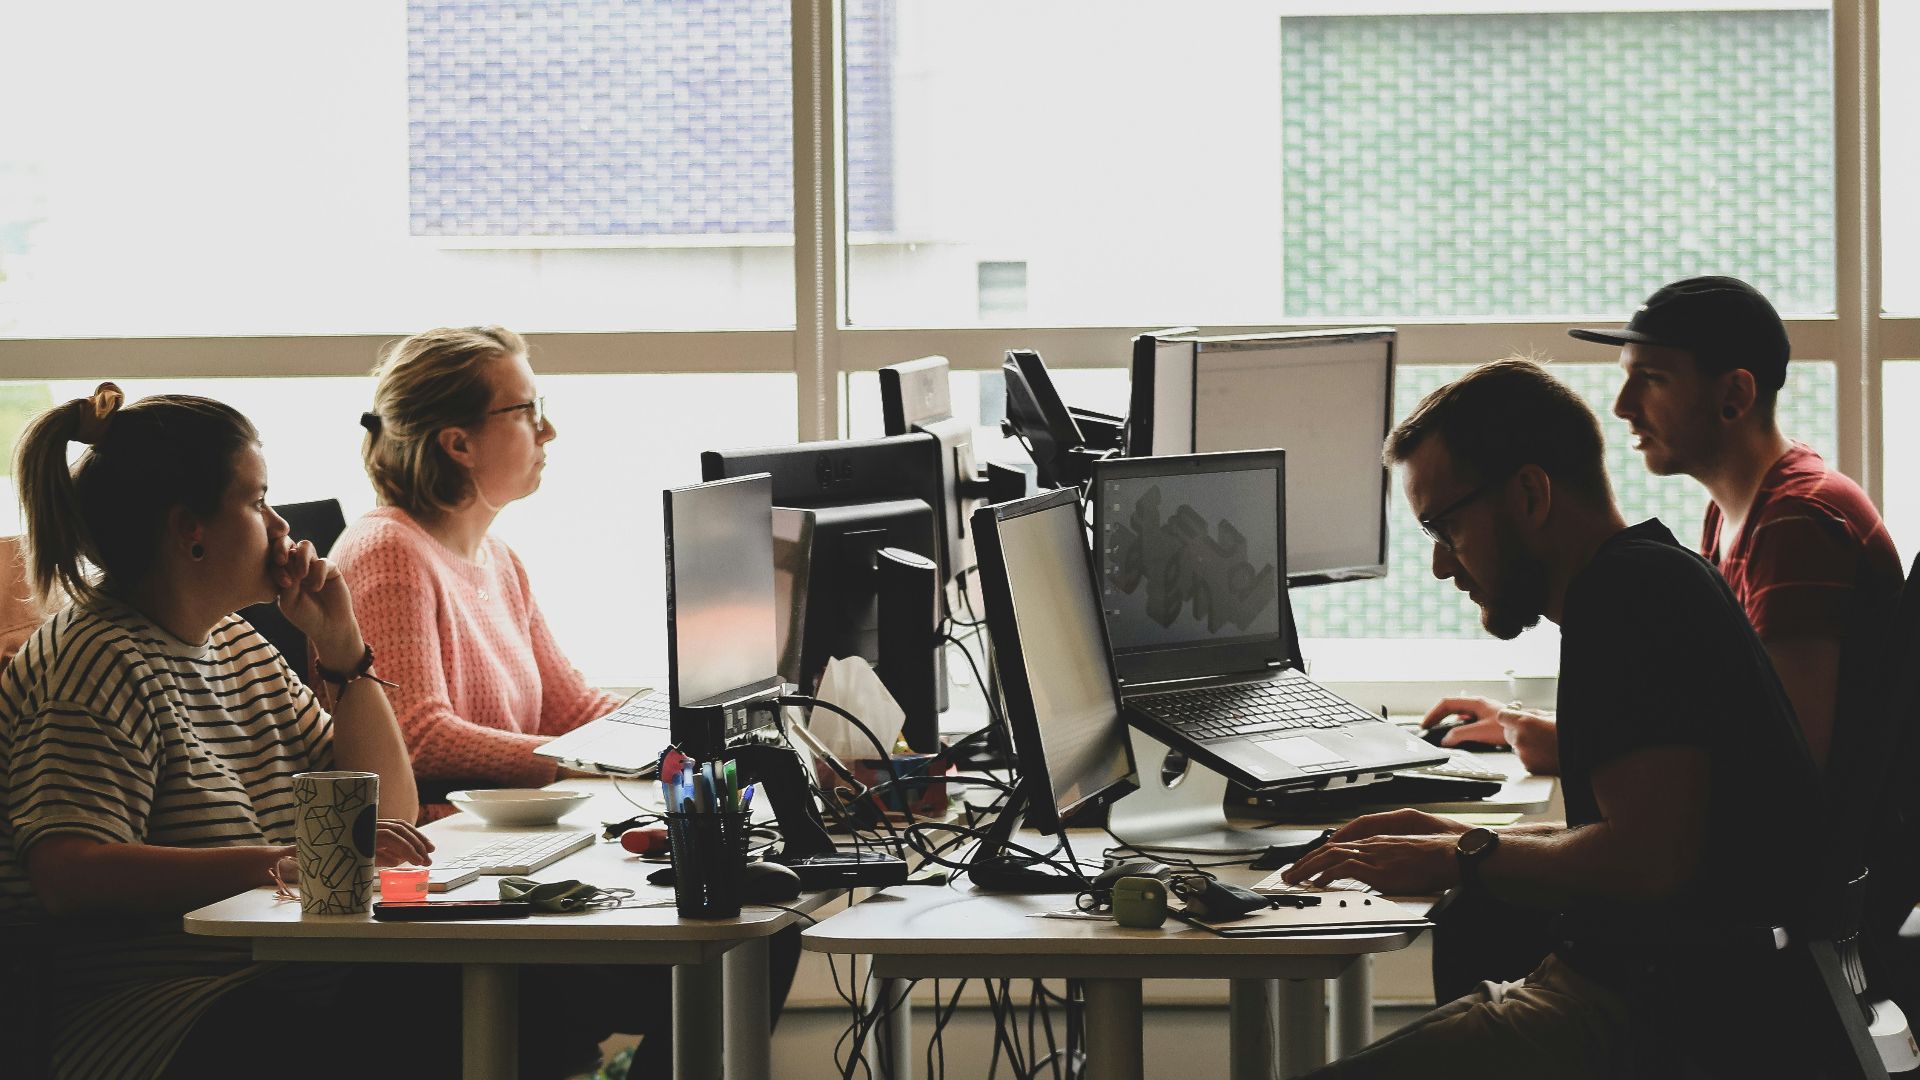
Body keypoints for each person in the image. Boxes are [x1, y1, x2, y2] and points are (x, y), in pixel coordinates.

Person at [1285, 359, 1831, 1077]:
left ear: (1531, 493)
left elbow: (1650, 858)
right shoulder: (1652, 574)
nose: (1443, 568)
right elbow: (1637, 833)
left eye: (1445, 526)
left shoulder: (1627, 598)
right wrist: (1459, 836)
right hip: (1663, 1000)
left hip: (1652, 1018)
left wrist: (1462, 855)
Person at [0, 385, 435, 1080]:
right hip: (158, 1017)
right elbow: (69, 871)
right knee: (422, 1023)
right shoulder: (94, 661)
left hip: (278, 984)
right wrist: (280, 860)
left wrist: (344, 649)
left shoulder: (238, 645)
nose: (281, 524)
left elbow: (385, 815)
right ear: (189, 530)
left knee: (503, 989)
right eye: (257, 501)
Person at [1423, 277, 1903, 776]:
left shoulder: (1796, 521)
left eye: (1651, 378)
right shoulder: (1738, 510)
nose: (1622, 405)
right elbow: (1727, 717)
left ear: (1734, 395)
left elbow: (1789, 759)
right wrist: (1533, 725)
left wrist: (1574, 749)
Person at [335, 325, 619, 820]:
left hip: (504, 830)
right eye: (527, 410)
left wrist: (676, 731)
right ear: (459, 444)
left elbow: (572, 710)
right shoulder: (388, 551)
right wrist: (571, 763)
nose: (548, 430)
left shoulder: (500, 559)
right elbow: (417, 737)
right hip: (438, 848)